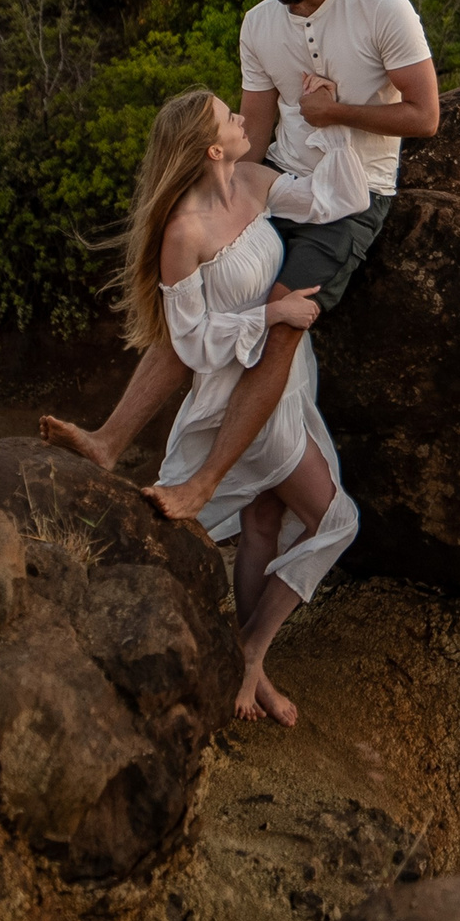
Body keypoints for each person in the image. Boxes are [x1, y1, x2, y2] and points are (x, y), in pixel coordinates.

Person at [41, 0, 438, 508]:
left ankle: (201, 484)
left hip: (354, 195)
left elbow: (426, 115)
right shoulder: (258, 24)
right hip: (279, 178)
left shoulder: (382, 7)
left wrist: (331, 111)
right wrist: (206, 210)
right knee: (202, 295)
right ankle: (108, 440)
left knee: (282, 322)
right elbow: (252, 132)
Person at [117, 84, 367, 725]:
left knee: (261, 528)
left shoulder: (254, 180)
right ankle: (251, 653)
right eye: (230, 117)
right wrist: (274, 311)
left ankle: (246, 668)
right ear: (210, 148)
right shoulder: (184, 232)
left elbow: (337, 200)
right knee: (336, 521)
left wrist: (331, 121)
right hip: (240, 392)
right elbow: (194, 340)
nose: (241, 116)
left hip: (285, 379)